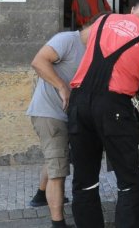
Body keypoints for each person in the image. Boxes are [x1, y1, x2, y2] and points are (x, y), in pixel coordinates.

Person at [67, 0, 139, 228]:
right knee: (129, 184)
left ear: (131, 10)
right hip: (115, 108)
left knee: (84, 181)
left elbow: (81, 40)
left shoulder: (104, 20)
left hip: (79, 103)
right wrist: (138, 114)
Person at [26, 18, 95, 228]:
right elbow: (38, 61)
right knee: (59, 171)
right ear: (93, 27)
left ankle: (40, 195)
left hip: (68, 115)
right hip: (49, 113)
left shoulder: (95, 50)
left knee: (57, 157)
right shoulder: (66, 39)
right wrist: (61, 86)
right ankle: (58, 224)